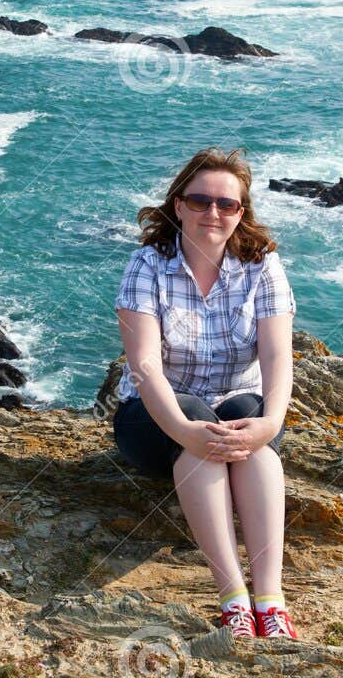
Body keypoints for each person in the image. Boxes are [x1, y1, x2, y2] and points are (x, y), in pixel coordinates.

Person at [111, 146, 298, 639]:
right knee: (198, 418)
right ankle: (234, 598)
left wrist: (270, 423)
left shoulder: (262, 266)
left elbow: (279, 357)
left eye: (226, 204)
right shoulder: (147, 265)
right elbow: (146, 366)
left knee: (249, 433)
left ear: (241, 212)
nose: (212, 212)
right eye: (199, 201)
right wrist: (183, 430)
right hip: (153, 416)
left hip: (237, 398)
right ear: (178, 206)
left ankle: (271, 601)